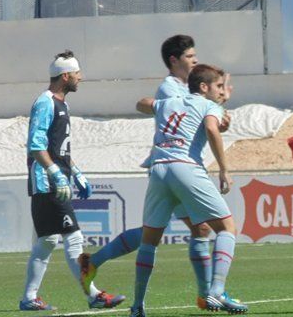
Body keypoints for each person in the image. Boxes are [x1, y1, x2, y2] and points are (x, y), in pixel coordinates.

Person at [79, 35, 231, 309]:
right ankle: (208, 294)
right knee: (203, 228)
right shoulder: (170, 89)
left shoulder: (185, 90)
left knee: (172, 232)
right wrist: (216, 115)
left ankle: (96, 262)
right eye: (189, 57)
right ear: (174, 61)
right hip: (177, 165)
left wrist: (220, 109)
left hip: (166, 166)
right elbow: (185, 118)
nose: (194, 60)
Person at [130, 64, 247, 317]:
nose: (221, 91)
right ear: (204, 87)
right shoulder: (209, 106)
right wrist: (224, 170)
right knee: (227, 228)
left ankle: (137, 306)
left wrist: (159, 106)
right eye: (218, 86)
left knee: (149, 241)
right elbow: (212, 128)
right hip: (186, 167)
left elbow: (141, 103)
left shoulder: (170, 102)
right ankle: (216, 290)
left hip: (159, 170)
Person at [20, 50, 125, 311]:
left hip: (56, 179)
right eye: (77, 73)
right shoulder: (45, 102)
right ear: (65, 75)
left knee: (48, 241)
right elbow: (36, 145)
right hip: (47, 182)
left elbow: (59, 148)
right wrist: (55, 173)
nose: (81, 77)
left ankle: (29, 298)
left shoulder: (63, 104)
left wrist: (75, 172)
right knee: (73, 237)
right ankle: (94, 295)